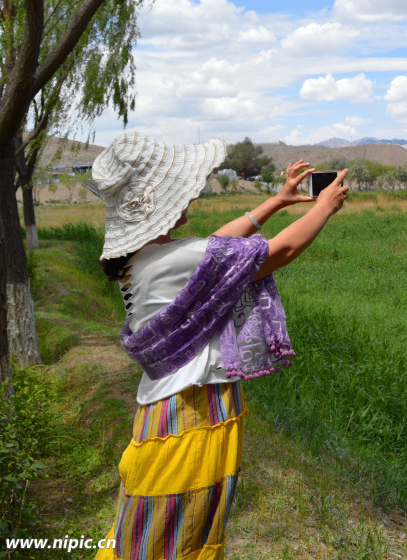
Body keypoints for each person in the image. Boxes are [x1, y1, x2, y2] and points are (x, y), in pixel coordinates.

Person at [87, 131, 348, 560]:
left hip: (169, 412)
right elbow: (278, 251)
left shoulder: (143, 258)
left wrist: (277, 202)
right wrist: (324, 207)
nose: (191, 197)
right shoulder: (171, 260)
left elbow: (217, 247)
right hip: (192, 413)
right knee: (181, 533)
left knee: (152, 530)